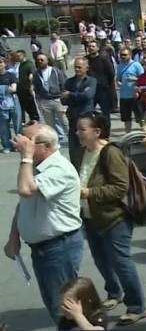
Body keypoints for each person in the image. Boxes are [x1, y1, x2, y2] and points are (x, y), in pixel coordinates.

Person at [72, 112, 146, 325]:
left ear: (97, 132)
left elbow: (120, 187)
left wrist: (90, 193)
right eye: (77, 129)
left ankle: (137, 306)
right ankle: (114, 293)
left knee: (121, 261)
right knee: (101, 260)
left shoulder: (110, 153)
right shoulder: (80, 153)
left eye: (82, 129)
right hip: (89, 217)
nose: (78, 133)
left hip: (114, 218)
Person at [4, 123, 83, 323]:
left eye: (27, 141)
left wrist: (26, 158)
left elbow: (26, 190)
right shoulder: (35, 167)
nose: (20, 145)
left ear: (46, 146)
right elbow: (23, 203)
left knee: (65, 308)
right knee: (54, 303)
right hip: (43, 248)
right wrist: (14, 237)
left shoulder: (59, 169)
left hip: (58, 247)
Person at [60, 57, 96, 155]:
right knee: (73, 147)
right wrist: (79, 96)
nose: (77, 70)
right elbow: (63, 100)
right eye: (76, 67)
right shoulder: (69, 82)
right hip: (73, 118)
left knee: (86, 145)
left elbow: (88, 96)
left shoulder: (91, 81)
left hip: (85, 116)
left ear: (86, 68)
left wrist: (71, 94)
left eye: (80, 67)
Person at [34, 53, 69, 140]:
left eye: (42, 60)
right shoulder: (37, 73)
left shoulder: (56, 71)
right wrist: (39, 99)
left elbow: (63, 84)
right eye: (38, 60)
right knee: (50, 124)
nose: (40, 61)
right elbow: (36, 87)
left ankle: (71, 138)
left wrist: (62, 95)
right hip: (45, 100)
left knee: (65, 121)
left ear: (47, 60)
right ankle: (55, 141)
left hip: (57, 99)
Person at [85, 40, 115, 125]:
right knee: (88, 113)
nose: (91, 48)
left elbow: (111, 73)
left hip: (103, 90)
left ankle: (106, 135)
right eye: (89, 46)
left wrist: (107, 85)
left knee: (105, 114)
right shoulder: (86, 59)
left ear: (97, 48)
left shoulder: (104, 58)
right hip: (90, 90)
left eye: (93, 46)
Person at [116, 47, 145, 133]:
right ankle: (128, 135)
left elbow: (143, 79)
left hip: (135, 96)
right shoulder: (119, 66)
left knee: (140, 118)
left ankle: (145, 134)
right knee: (126, 119)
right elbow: (117, 79)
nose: (122, 57)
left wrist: (135, 79)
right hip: (123, 96)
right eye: (121, 55)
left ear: (130, 55)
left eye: (125, 55)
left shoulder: (137, 65)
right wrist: (118, 83)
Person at [12, 50, 39, 122]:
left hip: (27, 89)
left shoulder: (29, 64)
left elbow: (32, 75)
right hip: (20, 90)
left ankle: (35, 119)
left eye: (18, 56)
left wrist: (31, 86)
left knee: (30, 105)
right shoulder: (20, 65)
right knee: (23, 106)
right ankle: (26, 120)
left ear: (23, 55)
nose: (17, 57)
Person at [0, 56, 16, 152]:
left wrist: (2, 88)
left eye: (0, 62)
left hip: (12, 102)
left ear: (5, 64)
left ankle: (17, 144)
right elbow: (10, 89)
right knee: (3, 126)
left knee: (16, 125)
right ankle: (7, 145)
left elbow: (14, 89)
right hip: (1, 104)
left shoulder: (10, 75)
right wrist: (6, 88)